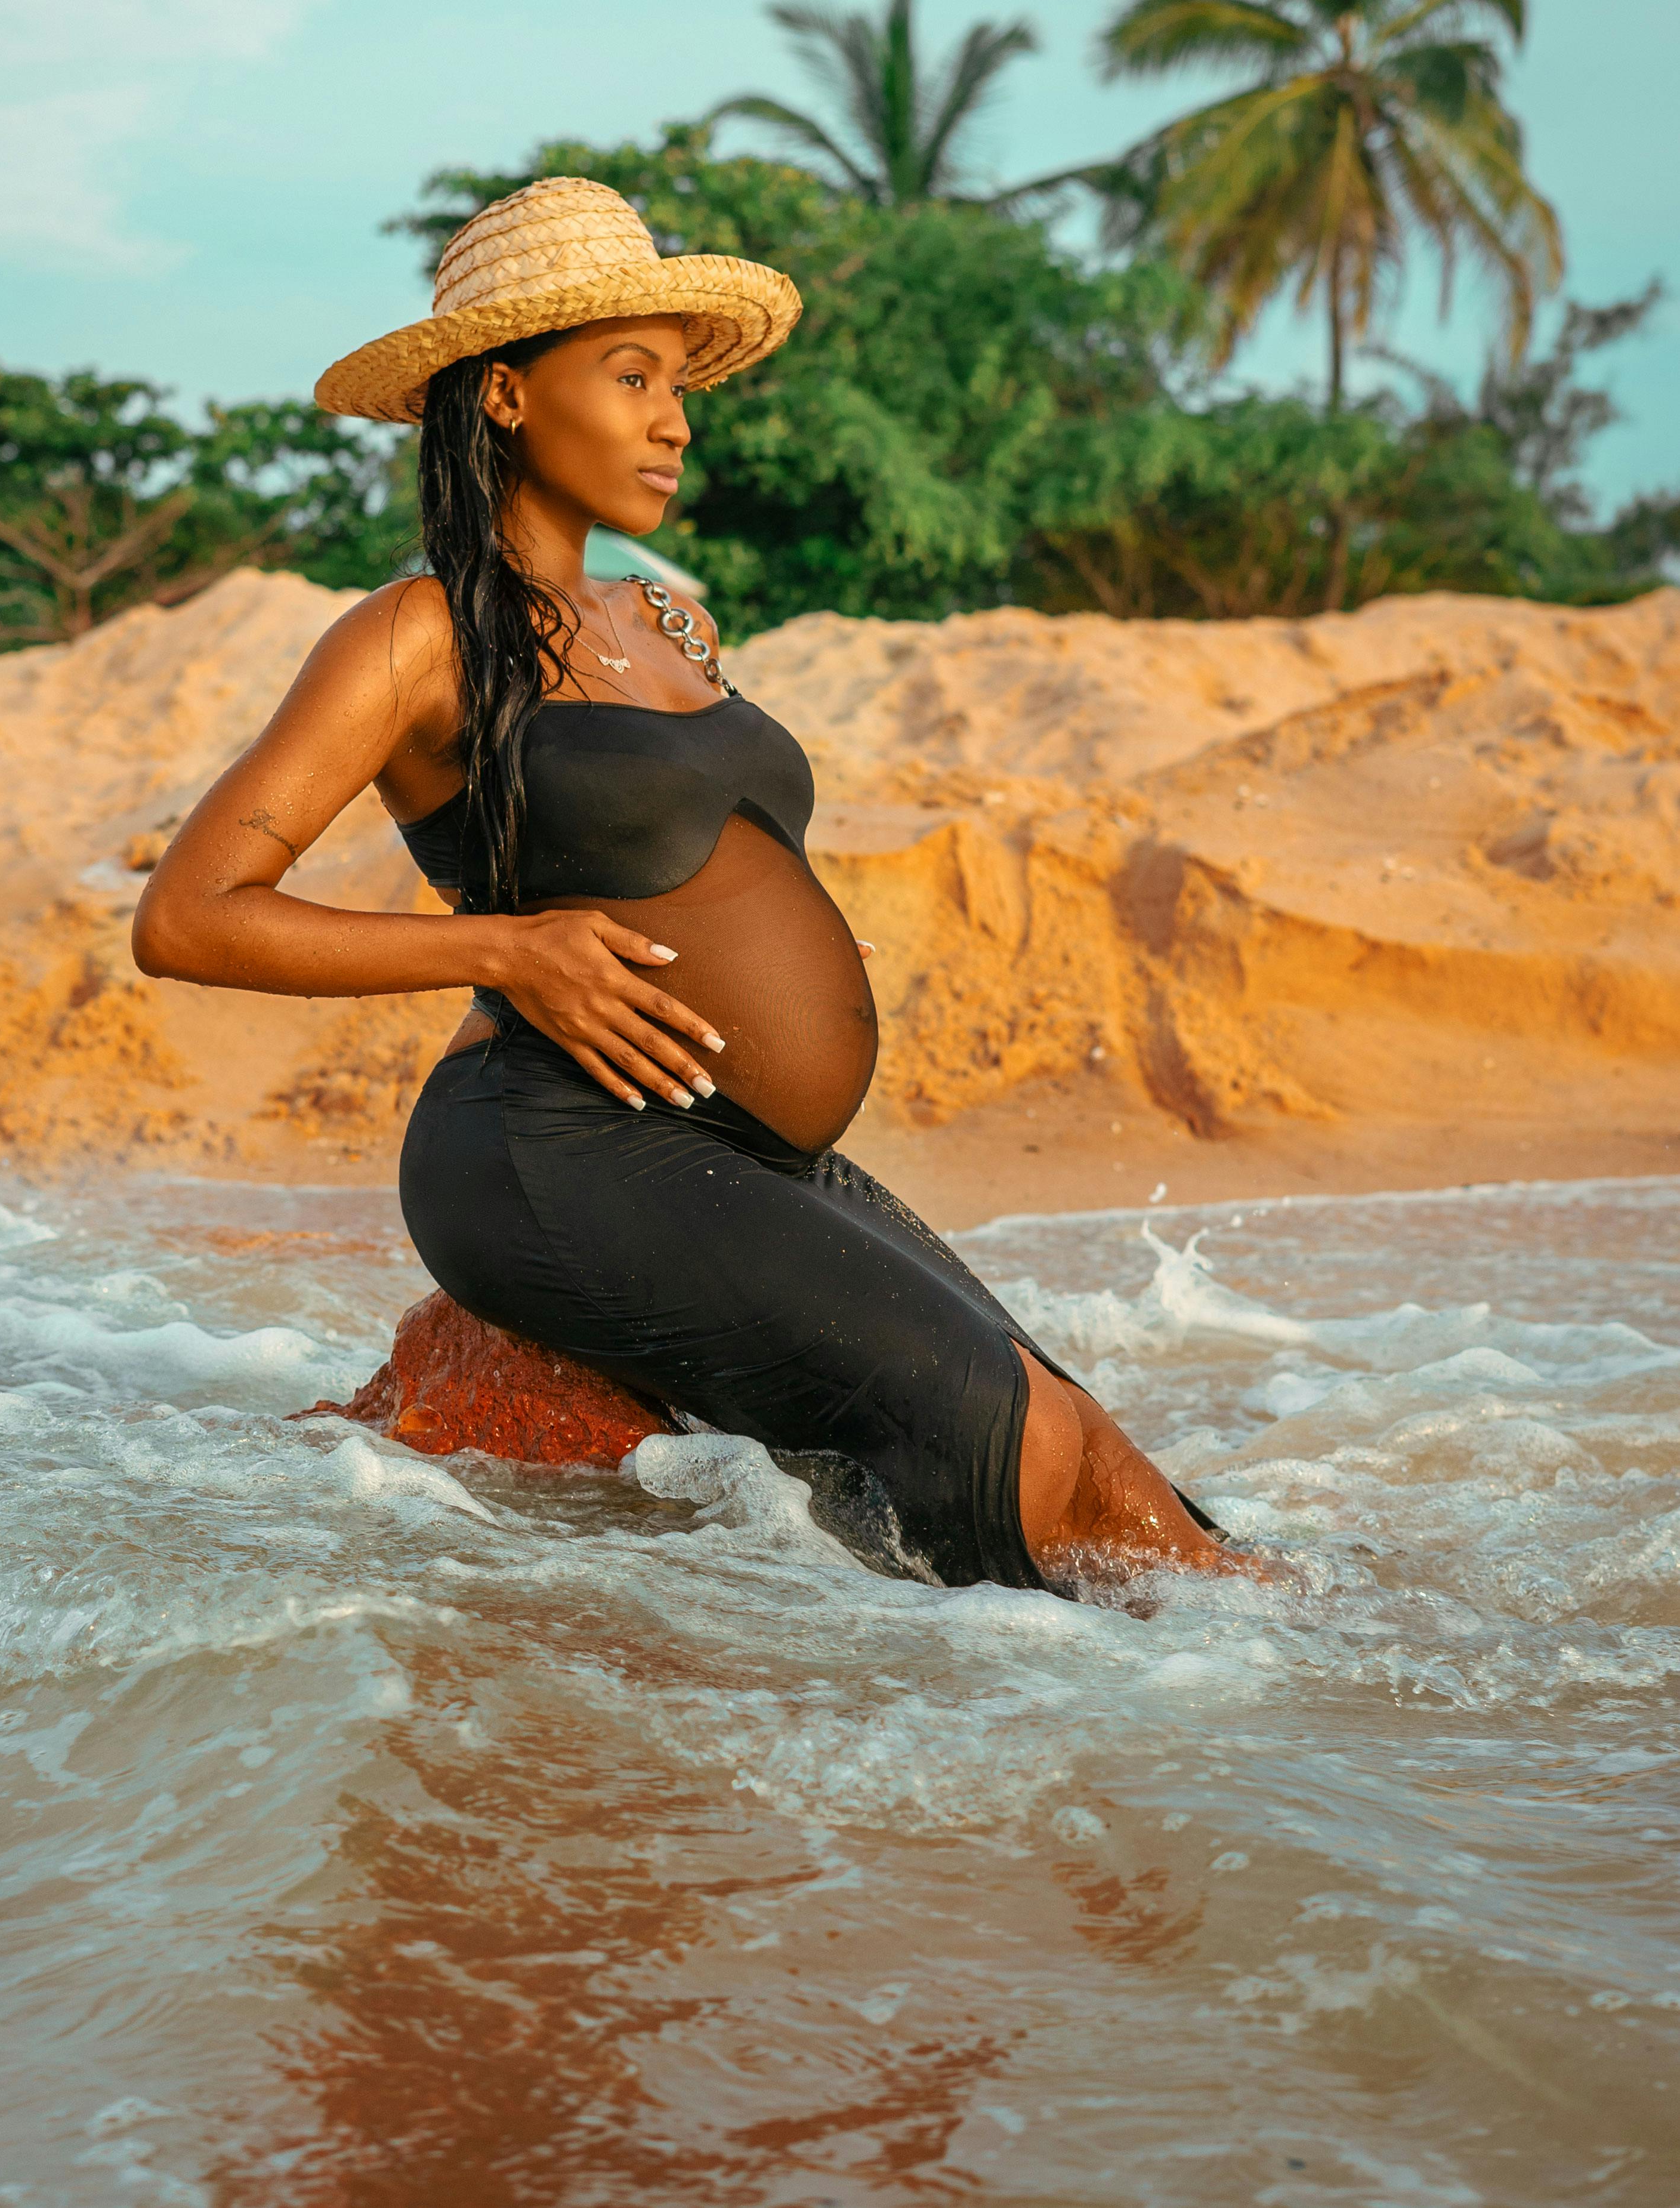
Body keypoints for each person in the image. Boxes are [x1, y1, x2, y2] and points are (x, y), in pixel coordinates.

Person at [133, 177, 1251, 1595]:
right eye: (629, 376)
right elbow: (189, 914)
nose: (674, 419)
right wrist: (509, 952)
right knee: (1006, 1445)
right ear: (504, 398)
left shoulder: (664, 620)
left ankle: (1323, 1706)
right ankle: (1003, 1773)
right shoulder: (413, 637)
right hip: (554, 1146)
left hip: (732, 1146)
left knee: (1107, 1467)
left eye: (677, 382)